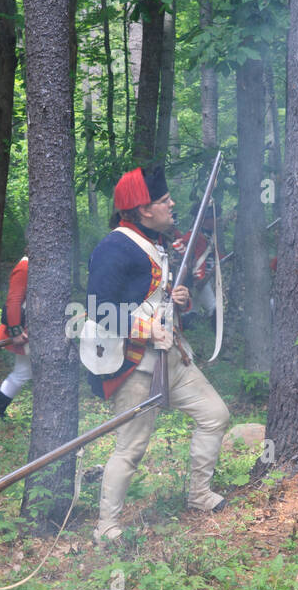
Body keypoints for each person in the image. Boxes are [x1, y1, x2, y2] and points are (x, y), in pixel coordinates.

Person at [84, 165, 231, 544]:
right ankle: (107, 527)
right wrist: (146, 328)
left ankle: (199, 494)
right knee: (130, 449)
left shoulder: (156, 241)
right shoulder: (114, 247)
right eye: (164, 201)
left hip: (171, 353)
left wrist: (176, 300)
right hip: (135, 362)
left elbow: (155, 297)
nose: (172, 204)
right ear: (143, 209)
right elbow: (99, 309)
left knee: (215, 415)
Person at [0, 255, 30, 421]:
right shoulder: (25, 266)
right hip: (26, 329)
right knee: (22, 373)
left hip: (35, 329)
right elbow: (14, 300)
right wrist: (16, 330)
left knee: (22, 372)